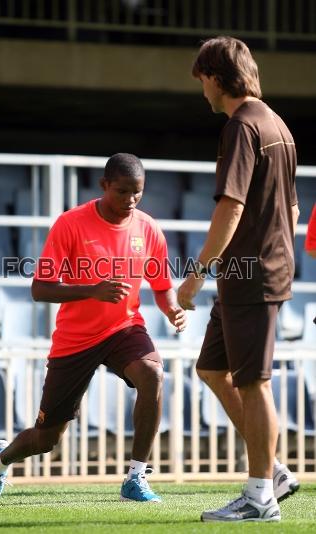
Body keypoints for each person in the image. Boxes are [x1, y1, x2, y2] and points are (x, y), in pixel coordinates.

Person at [0, 152, 186, 502]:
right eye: (122, 192)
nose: (131, 200)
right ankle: (1, 460)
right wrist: (93, 289)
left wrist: (172, 309)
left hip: (124, 328)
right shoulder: (70, 223)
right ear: (104, 185)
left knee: (152, 373)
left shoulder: (148, 227)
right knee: (46, 439)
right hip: (75, 341)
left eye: (138, 193)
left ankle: (136, 477)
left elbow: (161, 284)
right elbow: (40, 288)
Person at [177, 36, 300, 523]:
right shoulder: (278, 125)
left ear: (215, 76)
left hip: (250, 277)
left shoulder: (242, 127)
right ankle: (272, 471)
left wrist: (195, 276)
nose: (201, 90)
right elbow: (290, 208)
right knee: (212, 369)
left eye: (202, 80)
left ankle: (259, 498)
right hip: (253, 273)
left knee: (253, 383)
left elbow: (231, 207)